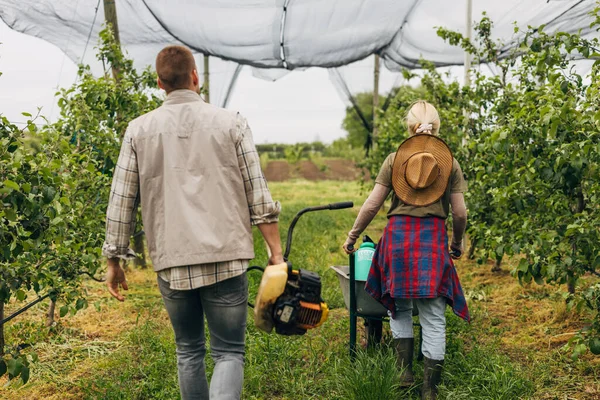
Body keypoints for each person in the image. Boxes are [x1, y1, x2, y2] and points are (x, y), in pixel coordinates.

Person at [102, 45, 284, 400]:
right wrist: (275, 253)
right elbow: (258, 196)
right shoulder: (232, 123)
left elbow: (121, 201)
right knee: (229, 351)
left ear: (159, 83)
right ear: (195, 76)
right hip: (227, 259)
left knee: (188, 351)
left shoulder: (138, 131)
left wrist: (115, 261)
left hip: (172, 262)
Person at [343, 100, 469, 400]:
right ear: (436, 127)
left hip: (397, 241)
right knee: (434, 316)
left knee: (398, 307)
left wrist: (353, 235)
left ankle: (404, 373)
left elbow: (373, 204)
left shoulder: (393, 160)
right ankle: (430, 389)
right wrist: (456, 242)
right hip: (433, 240)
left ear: (408, 126)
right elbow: (460, 213)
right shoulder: (449, 163)